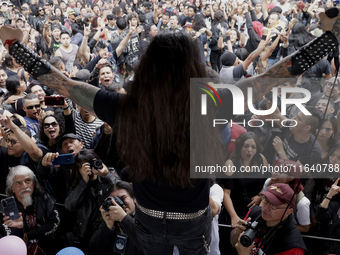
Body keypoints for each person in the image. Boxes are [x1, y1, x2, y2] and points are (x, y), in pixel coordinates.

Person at [1, 10, 339, 253]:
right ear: (193, 68)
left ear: (148, 68)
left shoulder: (126, 107)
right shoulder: (214, 101)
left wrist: (15, 47)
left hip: (146, 219)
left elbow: (68, 86)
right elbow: (272, 77)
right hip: (192, 219)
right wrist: (326, 40)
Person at [64, 149, 120, 254]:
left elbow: (123, 194)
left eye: (91, 163)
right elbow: (69, 206)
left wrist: (106, 175)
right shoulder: (77, 184)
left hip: (110, 230)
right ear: (78, 169)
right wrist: (83, 182)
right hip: (86, 234)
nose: (90, 168)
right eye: (84, 166)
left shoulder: (109, 173)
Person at [231, 183, 307, 255]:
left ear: (288, 211)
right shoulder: (255, 212)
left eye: (274, 205)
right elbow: (233, 242)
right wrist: (237, 233)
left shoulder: (292, 246)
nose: (266, 208)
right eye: (266, 200)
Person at [0, 165, 60, 254]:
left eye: (28, 180)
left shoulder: (45, 198)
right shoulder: (5, 209)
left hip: (46, 246)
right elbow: (9, 239)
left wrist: (29, 235)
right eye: (18, 183)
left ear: (34, 183)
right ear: (12, 189)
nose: (24, 186)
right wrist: (19, 229)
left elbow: (55, 223)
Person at [90, 181, 144, 255]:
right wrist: (107, 228)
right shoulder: (111, 221)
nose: (119, 203)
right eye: (114, 200)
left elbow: (148, 245)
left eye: (123, 198)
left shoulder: (145, 219)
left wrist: (124, 218)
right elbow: (94, 250)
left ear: (134, 199)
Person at [263, 159, 311, 233]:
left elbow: (305, 228)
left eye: (279, 172)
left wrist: (277, 225)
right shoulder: (269, 182)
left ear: (290, 178)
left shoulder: (302, 203)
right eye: (274, 169)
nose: (274, 173)